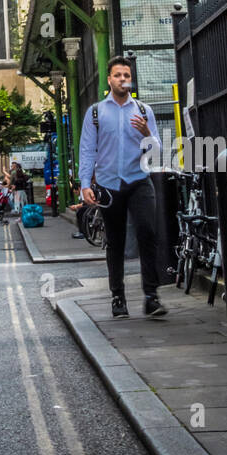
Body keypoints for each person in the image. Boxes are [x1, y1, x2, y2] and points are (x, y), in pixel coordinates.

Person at [79, 55, 166, 319]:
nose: (122, 80)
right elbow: (87, 151)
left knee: (147, 233)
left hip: (139, 180)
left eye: (126, 76)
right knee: (115, 241)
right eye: (118, 75)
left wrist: (146, 135)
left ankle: (151, 297)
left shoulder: (143, 111)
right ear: (109, 79)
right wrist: (85, 184)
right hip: (108, 185)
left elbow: (157, 154)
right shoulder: (95, 113)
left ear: (131, 79)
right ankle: (118, 297)